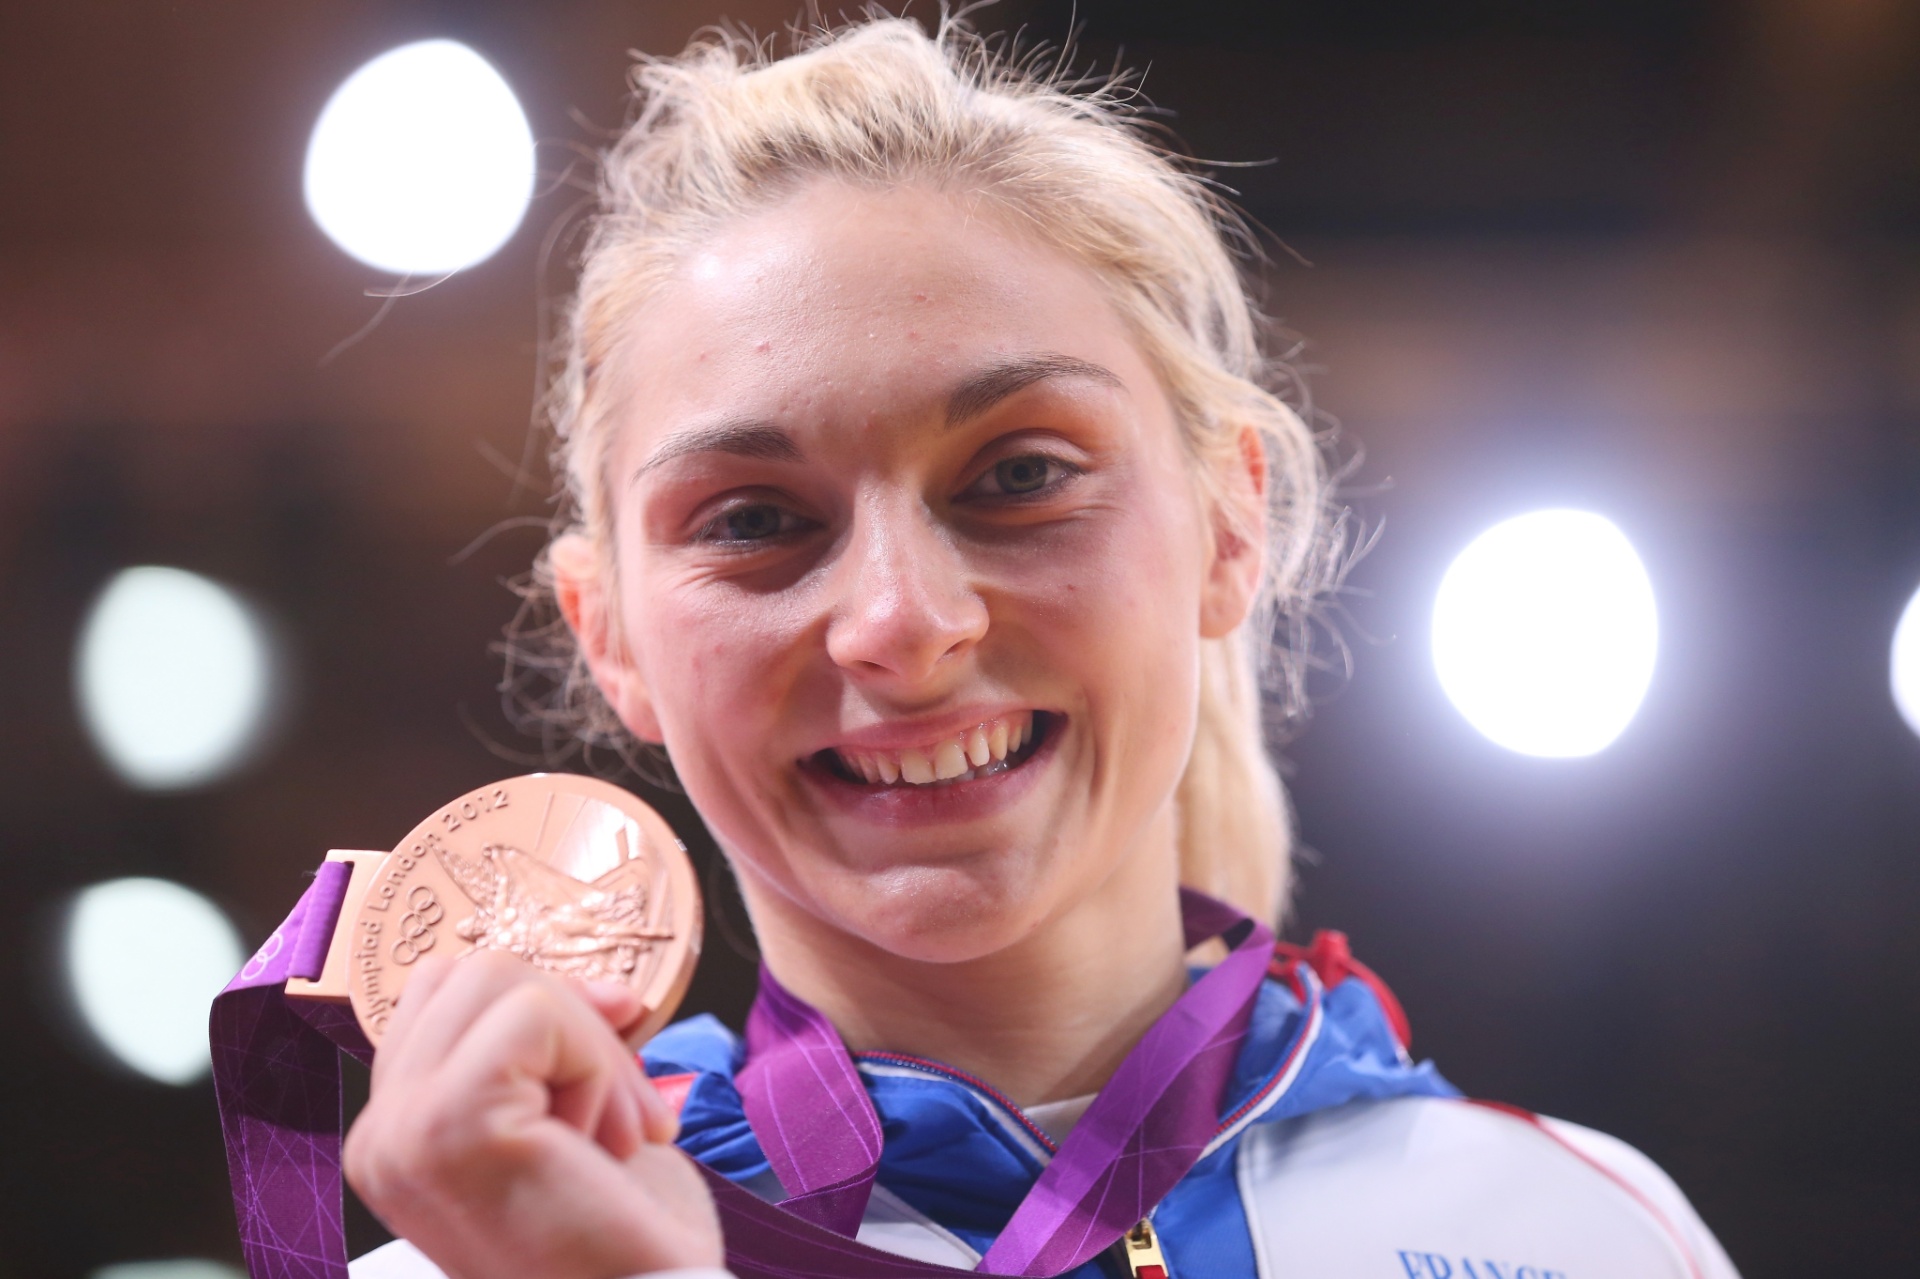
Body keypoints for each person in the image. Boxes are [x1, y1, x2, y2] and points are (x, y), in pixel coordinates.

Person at [342, 16, 1740, 1279]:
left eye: (1018, 475)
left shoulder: (1584, 1233)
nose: (901, 623)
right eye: (756, 518)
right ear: (614, 641)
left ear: (1226, 524)